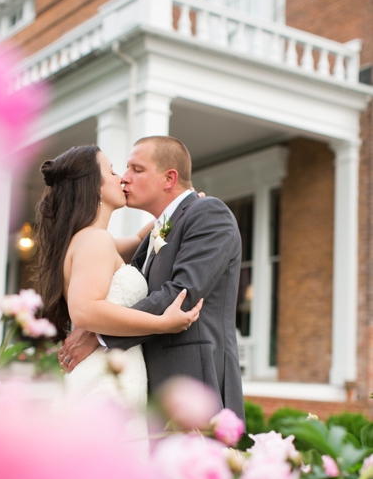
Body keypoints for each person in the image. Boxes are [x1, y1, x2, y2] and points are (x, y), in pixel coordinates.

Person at [59, 136, 245, 421]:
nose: (125, 178)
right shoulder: (153, 235)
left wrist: (99, 335)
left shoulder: (210, 214)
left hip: (194, 381)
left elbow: (181, 296)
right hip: (148, 388)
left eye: (137, 169)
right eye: (122, 169)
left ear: (169, 178)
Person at [31, 144, 201, 410]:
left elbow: (137, 239)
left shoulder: (93, 240)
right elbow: (85, 311)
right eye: (111, 171)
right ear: (94, 186)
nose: (121, 177)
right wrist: (161, 323)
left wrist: (183, 209)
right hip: (104, 381)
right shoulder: (94, 240)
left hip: (112, 371)